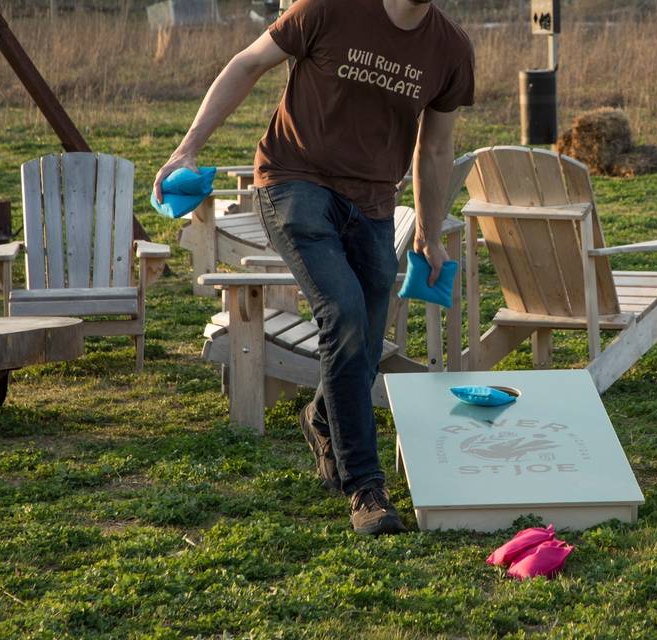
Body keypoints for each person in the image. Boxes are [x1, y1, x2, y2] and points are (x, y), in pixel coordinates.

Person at [153, 0, 474, 535]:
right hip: (293, 181)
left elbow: (435, 148)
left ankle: (323, 417)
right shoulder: (330, 7)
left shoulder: (450, 48)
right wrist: (187, 149)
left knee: (367, 341)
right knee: (343, 312)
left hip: (372, 201)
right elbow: (246, 64)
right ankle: (366, 490)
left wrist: (429, 233)